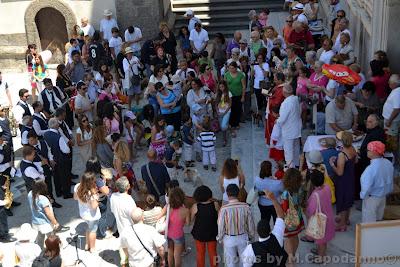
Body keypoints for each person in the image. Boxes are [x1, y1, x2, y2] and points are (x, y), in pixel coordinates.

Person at [241, 189, 288, 267]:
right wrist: (273, 199)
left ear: (257, 232)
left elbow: (246, 265)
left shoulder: (251, 248)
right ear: (270, 230)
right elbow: (281, 216)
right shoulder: (277, 237)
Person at [217, 184, 255, 267]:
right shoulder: (246, 207)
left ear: (227, 194)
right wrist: (251, 236)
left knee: (230, 262)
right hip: (243, 237)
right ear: (238, 193)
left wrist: (220, 238)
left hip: (229, 238)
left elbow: (220, 226)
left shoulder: (223, 209)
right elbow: (251, 224)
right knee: (244, 261)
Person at [329, 131, 357, 231]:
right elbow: (355, 161)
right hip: (350, 178)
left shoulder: (342, 154)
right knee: (348, 200)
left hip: (343, 180)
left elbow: (340, 172)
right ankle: (346, 219)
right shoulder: (353, 149)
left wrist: (332, 164)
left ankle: (342, 224)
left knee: (343, 200)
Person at [360, 141, 394, 223]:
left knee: (369, 220)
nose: (367, 151)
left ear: (374, 152)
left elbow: (366, 186)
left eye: (368, 150)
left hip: (372, 197)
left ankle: (369, 235)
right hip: (383, 196)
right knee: (379, 217)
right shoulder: (388, 163)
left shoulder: (370, 169)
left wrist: (363, 196)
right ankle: (378, 233)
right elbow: (390, 179)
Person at [306, 170, 335, 261]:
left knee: (321, 240)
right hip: (328, 217)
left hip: (320, 222)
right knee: (323, 239)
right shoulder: (327, 187)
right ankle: (320, 251)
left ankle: (321, 257)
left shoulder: (315, 195)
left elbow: (311, 210)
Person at [27, 130, 61, 208]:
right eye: (29, 141)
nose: (30, 142)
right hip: (38, 171)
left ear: (36, 138)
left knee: (49, 186)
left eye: (32, 140)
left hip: (46, 167)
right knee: (42, 188)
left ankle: (52, 201)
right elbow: (29, 162)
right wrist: (40, 163)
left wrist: (51, 159)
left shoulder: (43, 142)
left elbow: (48, 150)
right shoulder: (30, 149)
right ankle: (45, 204)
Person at [27, 181, 66, 248]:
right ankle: (56, 248)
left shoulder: (30, 194)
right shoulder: (42, 199)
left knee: (40, 236)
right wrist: (55, 223)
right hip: (45, 223)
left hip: (35, 221)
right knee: (52, 237)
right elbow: (48, 213)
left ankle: (39, 249)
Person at [190, 185, 219, 267]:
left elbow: (191, 220)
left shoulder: (195, 206)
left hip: (199, 233)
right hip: (212, 232)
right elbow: (219, 218)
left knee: (200, 253)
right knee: (213, 252)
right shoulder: (215, 204)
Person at [43, 118, 72, 199]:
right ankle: (66, 193)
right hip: (61, 158)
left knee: (56, 177)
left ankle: (58, 192)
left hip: (52, 158)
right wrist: (69, 151)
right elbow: (65, 150)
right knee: (65, 176)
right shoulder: (58, 137)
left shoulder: (46, 134)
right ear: (55, 125)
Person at [280, 168, 304, 263]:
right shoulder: (300, 189)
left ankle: (290, 259)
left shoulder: (285, 194)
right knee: (295, 236)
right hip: (297, 217)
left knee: (289, 238)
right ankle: (293, 254)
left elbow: (284, 209)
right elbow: (301, 201)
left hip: (289, 220)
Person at [162, 187, 190, 267]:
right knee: (177, 255)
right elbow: (188, 223)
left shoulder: (168, 207)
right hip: (178, 235)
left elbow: (161, 215)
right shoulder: (186, 211)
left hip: (168, 233)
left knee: (170, 253)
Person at [74, 172, 101, 253]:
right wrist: (96, 196)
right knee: (93, 231)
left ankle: (87, 245)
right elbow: (94, 206)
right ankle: (92, 248)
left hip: (83, 214)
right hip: (92, 216)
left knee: (88, 228)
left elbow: (75, 198)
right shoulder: (91, 193)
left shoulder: (77, 187)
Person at [277, 83, 301, 168]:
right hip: (296, 129)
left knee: (289, 151)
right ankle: (297, 165)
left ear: (284, 92)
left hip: (289, 130)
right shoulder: (295, 99)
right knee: (296, 149)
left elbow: (282, 119)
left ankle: (291, 171)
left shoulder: (286, 103)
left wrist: (277, 121)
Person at [382, 74, 400, 161]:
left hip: (392, 122)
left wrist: (389, 120)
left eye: (390, 82)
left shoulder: (397, 93)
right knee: (389, 139)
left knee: (391, 141)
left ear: (395, 83)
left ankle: (392, 159)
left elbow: (396, 109)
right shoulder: (395, 90)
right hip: (390, 121)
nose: (388, 83)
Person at [224, 61, 246, 134]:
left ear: (236, 68)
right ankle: (231, 123)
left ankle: (236, 123)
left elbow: (243, 86)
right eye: (230, 68)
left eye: (232, 68)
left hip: (238, 95)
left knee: (238, 109)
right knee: (231, 109)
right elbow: (224, 85)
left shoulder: (241, 75)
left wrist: (243, 96)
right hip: (230, 95)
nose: (231, 70)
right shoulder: (226, 74)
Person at [215, 81, 232, 146]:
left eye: (222, 87)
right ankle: (224, 139)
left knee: (223, 126)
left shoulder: (229, 93)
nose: (221, 88)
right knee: (222, 128)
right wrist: (217, 111)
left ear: (225, 86)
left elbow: (230, 104)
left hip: (226, 112)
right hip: (220, 112)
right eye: (220, 87)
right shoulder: (218, 94)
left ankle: (225, 138)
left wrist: (225, 112)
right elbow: (216, 104)